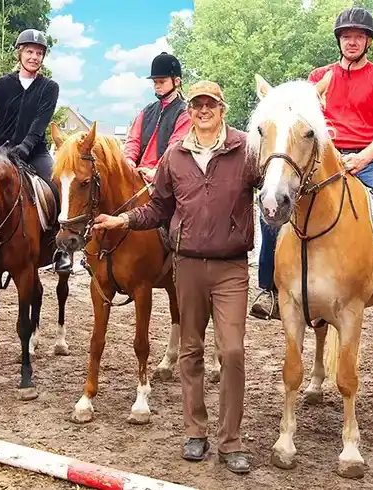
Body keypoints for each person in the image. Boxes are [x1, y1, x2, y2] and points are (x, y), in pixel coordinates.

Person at [92, 80, 258, 474]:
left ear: (223, 108)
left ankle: (230, 440)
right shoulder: (175, 156)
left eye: (211, 105)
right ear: (190, 111)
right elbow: (159, 209)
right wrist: (124, 219)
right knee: (190, 350)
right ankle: (195, 432)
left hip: (231, 266)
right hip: (187, 265)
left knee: (232, 351)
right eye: (197, 105)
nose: (203, 111)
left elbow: (274, 189)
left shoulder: (246, 151)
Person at [249, 6, 373, 336]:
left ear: (368, 42)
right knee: (272, 207)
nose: (352, 41)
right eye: (346, 36)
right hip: (324, 161)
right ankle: (268, 288)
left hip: (369, 163)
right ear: (339, 41)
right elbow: (299, 122)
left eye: (358, 36)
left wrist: (364, 157)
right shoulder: (317, 78)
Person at [0, 28, 71, 272]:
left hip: (34, 152)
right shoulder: (2, 85)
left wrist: (25, 147)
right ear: (20, 53)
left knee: (57, 186)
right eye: (30, 51)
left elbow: (39, 124)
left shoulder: (49, 87)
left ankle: (60, 250)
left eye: (39, 53)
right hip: (0, 152)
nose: (34, 57)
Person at [123, 52, 191, 184]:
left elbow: (174, 148)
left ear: (176, 81)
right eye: (155, 82)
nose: (157, 86)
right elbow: (133, 140)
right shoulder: (147, 111)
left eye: (162, 81)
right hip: (139, 174)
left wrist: (157, 170)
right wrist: (129, 160)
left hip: (166, 177)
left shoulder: (185, 113)